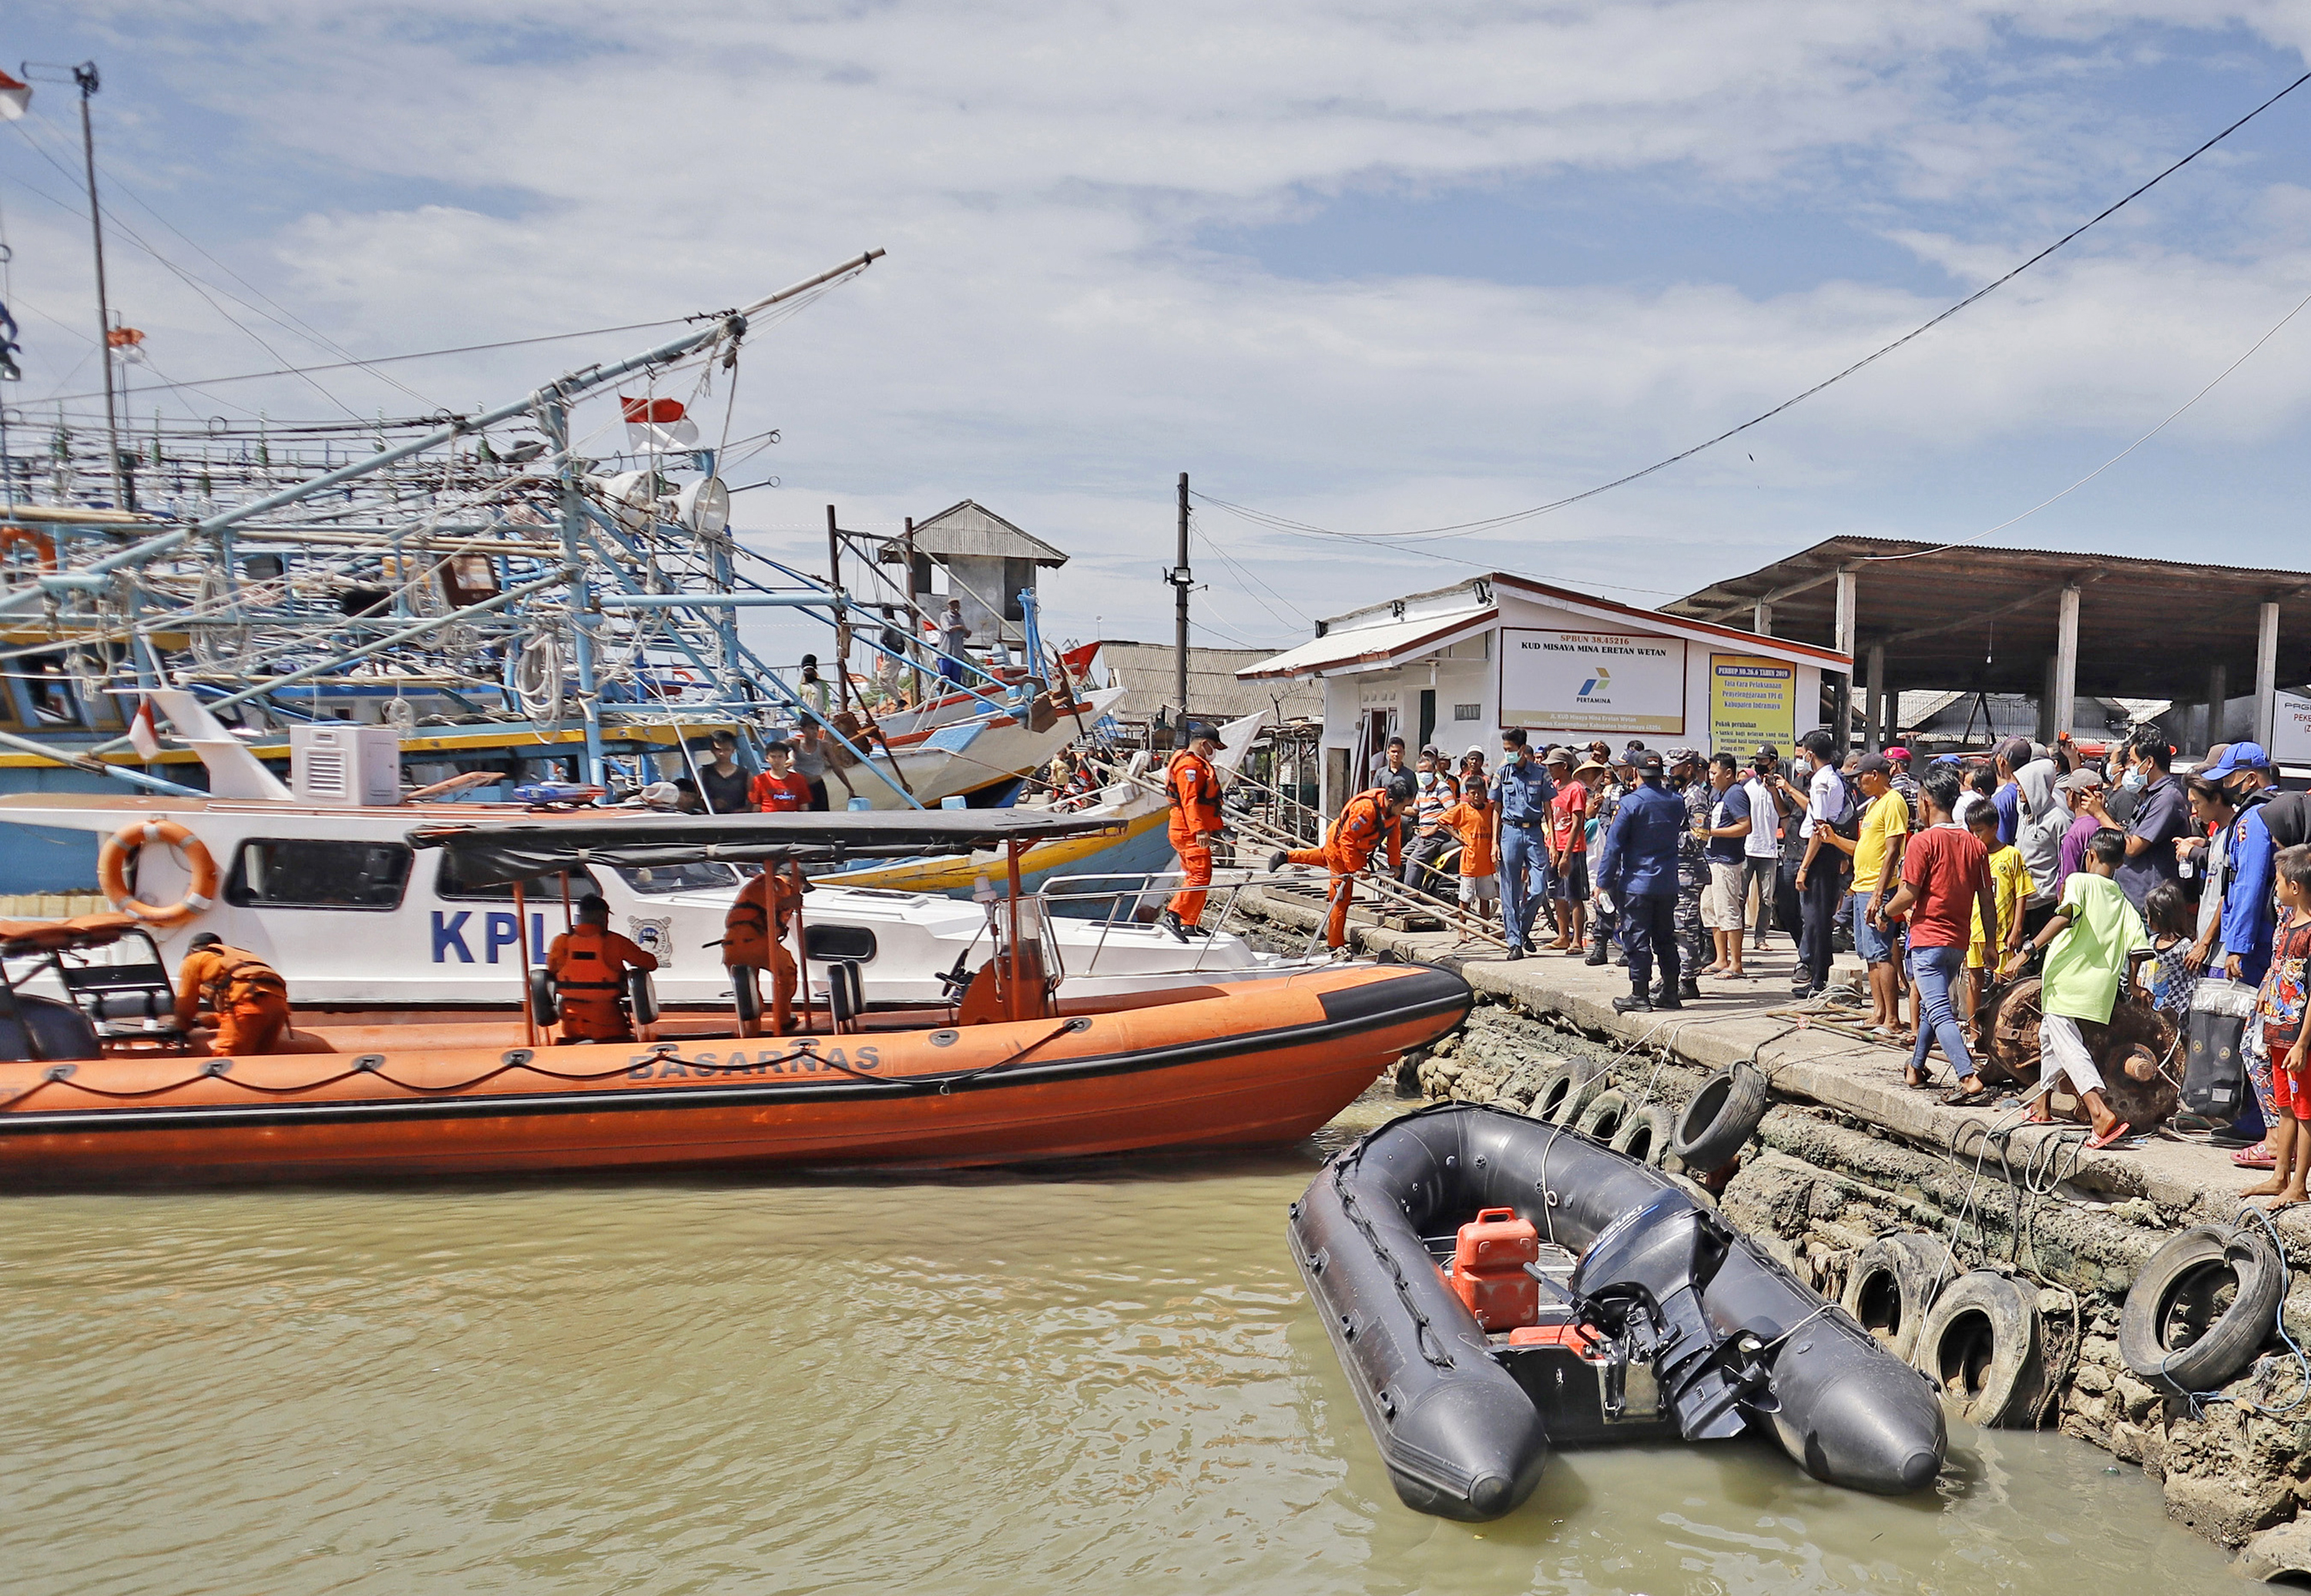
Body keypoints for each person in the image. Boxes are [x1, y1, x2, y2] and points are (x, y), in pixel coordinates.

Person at [1998, 831, 2146, 1145]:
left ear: (2090, 854)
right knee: (2049, 1037)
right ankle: (2041, 1106)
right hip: (2098, 988)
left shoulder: (2079, 881)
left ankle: (2098, 1111)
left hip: (2068, 981)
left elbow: (2064, 916)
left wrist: (2027, 951)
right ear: (2120, 863)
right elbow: (2138, 948)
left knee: (2068, 1044)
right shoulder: (2122, 901)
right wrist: (2133, 985)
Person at [1880, 768, 2001, 1099]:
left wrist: (1883, 912)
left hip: (1927, 938)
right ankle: (1916, 1068)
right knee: (1934, 1007)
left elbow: (1908, 894)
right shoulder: (1975, 846)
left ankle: (1967, 1076)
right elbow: (1987, 901)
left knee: (1938, 1011)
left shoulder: (1922, 841)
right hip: (1958, 942)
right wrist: (1990, 943)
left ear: (1925, 802)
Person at [1822, 752, 1910, 1036]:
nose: (1858, 783)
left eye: (1860, 777)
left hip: (1876, 889)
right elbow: (1862, 848)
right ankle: (1879, 1012)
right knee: (1870, 954)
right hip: (1862, 887)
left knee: (1881, 953)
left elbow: (1893, 850)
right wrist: (1834, 839)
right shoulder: (1873, 805)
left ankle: (1891, 1018)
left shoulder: (1893, 802)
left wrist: (1878, 894)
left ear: (1874, 775)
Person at [1274, 774, 1414, 952]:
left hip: (1355, 851)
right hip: (1340, 846)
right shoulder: (1365, 810)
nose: (1405, 810)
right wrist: (1356, 869)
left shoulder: (1393, 813)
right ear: (1392, 801)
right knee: (1341, 896)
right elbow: (1347, 840)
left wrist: (1395, 865)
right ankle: (1335, 944)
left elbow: (1394, 839)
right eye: (1404, 806)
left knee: (1323, 857)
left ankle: (1286, 856)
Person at [2242, 847, 2311, 1206]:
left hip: (2299, 1037)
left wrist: (2302, 1043)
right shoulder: (2288, 924)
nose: (2276, 887)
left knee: (2305, 1110)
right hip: (2277, 1032)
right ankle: (2280, 1175)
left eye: (2280, 881)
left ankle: (2299, 1184)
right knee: (2284, 1106)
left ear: (2295, 887)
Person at [1595, 749, 1685, 1014]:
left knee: (1637, 938)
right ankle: (1670, 991)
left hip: (1637, 883)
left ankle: (1640, 994)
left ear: (1636, 772)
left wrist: (1602, 882)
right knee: (1666, 938)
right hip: (1667, 883)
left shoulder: (1631, 803)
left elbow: (1613, 847)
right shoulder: (1676, 801)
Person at [546, 897, 659, 1044]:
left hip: (571, 1025)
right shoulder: (615, 942)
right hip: (609, 1024)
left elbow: (551, 971)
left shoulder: (561, 942)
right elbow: (650, 964)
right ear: (602, 916)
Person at [1488, 729, 1557, 961]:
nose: (1507, 753)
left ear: (1521, 748)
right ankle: (1514, 943)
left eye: (1510, 749)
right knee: (1510, 891)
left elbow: (1548, 808)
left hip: (1535, 832)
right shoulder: (1502, 773)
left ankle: (1522, 927)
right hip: (1510, 832)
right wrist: (1494, 843)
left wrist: (1553, 840)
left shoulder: (1540, 773)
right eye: (1505, 749)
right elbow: (1496, 809)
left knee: (1539, 888)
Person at [1790, 729, 1848, 1000]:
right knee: (1816, 918)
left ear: (1810, 754)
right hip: (1824, 851)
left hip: (1821, 853)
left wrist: (1804, 868)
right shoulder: (1826, 778)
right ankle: (1818, 975)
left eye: (1803, 753)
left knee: (1816, 919)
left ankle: (1818, 979)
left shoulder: (1823, 781)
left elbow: (1820, 828)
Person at [1962, 797, 2031, 1021]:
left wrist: (2017, 928)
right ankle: (1973, 1030)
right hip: (1974, 930)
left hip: (2002, 932)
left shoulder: (2011, 855)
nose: (1975, 836)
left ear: (1994, 827)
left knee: (2003, 982)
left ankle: (1999, 1027)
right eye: (1971, 831)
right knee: (1974, 980)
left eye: (1979, 831)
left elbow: (2022, 893)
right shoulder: (1970, 856)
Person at [173, 932, 293, 1056]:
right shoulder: (233, 957)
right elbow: (231, 1010)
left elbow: (186, 1000)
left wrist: (180, 1024)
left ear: (193, 950)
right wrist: (202, 1022)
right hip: (280, 1007)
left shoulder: (195, 959)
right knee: (260, 1060)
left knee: (227, 1060)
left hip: (249, 1004)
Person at [722, 863, 807, 1036]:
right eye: (802, 887)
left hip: (731, 946)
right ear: (795, 881)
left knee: (748, 988)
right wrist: (792, 902)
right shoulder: (779, 885)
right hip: (757, 944)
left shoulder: (758, 885)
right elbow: (779, 904)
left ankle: (752, 1029)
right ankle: (783, 1019)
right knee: (787, 971)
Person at [2105, 738, 2187, 910]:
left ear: (2149, 762)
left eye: (2134, 763)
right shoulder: (2149, 796)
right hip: (2135, 897)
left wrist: (2099, 814)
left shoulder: (2166, 799)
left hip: (2150, 902)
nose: (2129, 769)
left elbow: (2132, 847)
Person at [1162, 722, 1226, 940]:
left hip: (1186, 828)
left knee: (1198, 875)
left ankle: (1190, 923)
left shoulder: (1194, 764)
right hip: (1188, 830)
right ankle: (1173, 915)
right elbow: (1189, 801)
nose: (1214, 752)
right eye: (1214, 747)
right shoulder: (1189, 766)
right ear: (1205, 744)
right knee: (1199, 875)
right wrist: (1199, 830)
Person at [1699, 753, 1753, 979]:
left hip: (1727, 861)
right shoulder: (1718, 793)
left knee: (1728, 910)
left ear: (1728, 773)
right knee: (1710, 910)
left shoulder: (1736, 793)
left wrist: (1712, 832)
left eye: (1714, 773)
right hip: (1711, 858)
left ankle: (1736, 963)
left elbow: (1745, 826)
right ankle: (1721, 958)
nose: (1711, 777)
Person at [2012, 756, 2071, 940]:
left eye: (2023, 785)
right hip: (2022, 901)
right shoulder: (2024, 815)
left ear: (2035, 786)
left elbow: (2066, 861)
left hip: (2045, 902)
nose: (2018, 789)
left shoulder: (2058, 820)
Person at [1666, 749, 1708, 1001]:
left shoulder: (1696, 796)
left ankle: (1689, 980)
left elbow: (1700, 836)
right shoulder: (1677, 793)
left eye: (1675, 767)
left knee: (1686, 927)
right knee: (1674, 926)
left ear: (1689, 768)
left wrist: (1667, 835)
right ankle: (1676, 974)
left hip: (1689, 871)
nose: (1671, 772)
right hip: (1675, 869)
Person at [1544, 747, 1588, 953]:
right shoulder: (1553, 787)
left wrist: (1567, 855)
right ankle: (1563, 936)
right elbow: (1549, 817)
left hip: (1573, 849)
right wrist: (1553, 845)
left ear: (1564, 766)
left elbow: (1577, 823)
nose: (1550, 769)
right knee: (1557, 894)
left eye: (1553, 765)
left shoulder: (1576, 789)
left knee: (1575, 895)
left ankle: (1577, 939)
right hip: (1555, 847)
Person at [1739, 749, 1783, 955]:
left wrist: (1775, 789)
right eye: (1757, 761)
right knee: (1740, 896)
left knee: (1766, 898)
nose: (1760, 764)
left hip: (1769, 850)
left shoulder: (1780, 788)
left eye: (1764, 760)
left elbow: (1785, 813)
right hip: (1747, 848)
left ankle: (1761, 938)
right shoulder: (1746, 787)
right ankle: (1737, 936)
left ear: (1773, 763)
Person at [1435, 777, 1499, 919]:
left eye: (1480, 792)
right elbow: (1440, 821)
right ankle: (1462, 928)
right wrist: (1457, 837)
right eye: (1473, 793)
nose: (1477, 796)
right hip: (1470, 862)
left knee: (1485, 898)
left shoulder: (1489, 810)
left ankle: (1485, 927)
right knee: (1465, 898)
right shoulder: (1462, 809)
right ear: (1467, 794)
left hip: (1486, 863)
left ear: (1485, 793)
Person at [1400, 749, 1460, 897]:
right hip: (1422, 833)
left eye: (1427, 771)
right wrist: (1396, 808)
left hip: (1437, 834)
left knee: (1414, 861)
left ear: (1434, 771)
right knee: (1400, 857)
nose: (1424, 775)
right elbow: (1414, 810)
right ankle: (1399, 890)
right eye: (1420, 772)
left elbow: (1452, 812)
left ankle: (1408, 897)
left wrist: (1434, 828)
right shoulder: (1422, 790)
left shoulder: (1442, 788)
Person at [2141, 879, 2202, 1020]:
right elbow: (2143, 971)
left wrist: (2182, 1010)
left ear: (2159, 916)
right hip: (2150, 1011)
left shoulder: (2183, 947)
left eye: (2148, 915)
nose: (2147, 919)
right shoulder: (2151, 941)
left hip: (2175, 1015)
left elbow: (2193, 983)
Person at [2057, 770, 2106, 888]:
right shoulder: (2108, 822)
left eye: (2067, 791)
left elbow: (2068, 881)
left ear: (2072, 795)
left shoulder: (2074, 835)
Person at [696, 730, 753, 816]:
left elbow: (753, 802)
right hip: (711, 818)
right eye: (718, 750)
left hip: (738, 819)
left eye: (726, 750)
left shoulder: (745, 774)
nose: (722, 753)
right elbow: (695, 801)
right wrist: (712, 803)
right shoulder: (702, 773)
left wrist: (743, 810)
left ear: (733, 750)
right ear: (712, 750)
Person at [749, 740, 815, 813]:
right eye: (773, 757)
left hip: (791, 818)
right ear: (767, 758)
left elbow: (804, 806)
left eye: (780, 756)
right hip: (768, 818)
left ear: (786, 758)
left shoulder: (799, 779)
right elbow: (756, 806)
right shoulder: (759, 780)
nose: (777, 760)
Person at [937, 598, 971, 686]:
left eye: (956, 605)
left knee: (955, 681)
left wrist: (965, 630)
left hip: (957, 654)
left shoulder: (961, 620)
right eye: (952, 605)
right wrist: (960, 627)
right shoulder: (944, 615)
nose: (955, 607)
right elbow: (948, 629)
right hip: (945, 653)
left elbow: (966, 635)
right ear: (948, 606)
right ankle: (942, 693)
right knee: (943, 678)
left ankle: (951, 693)